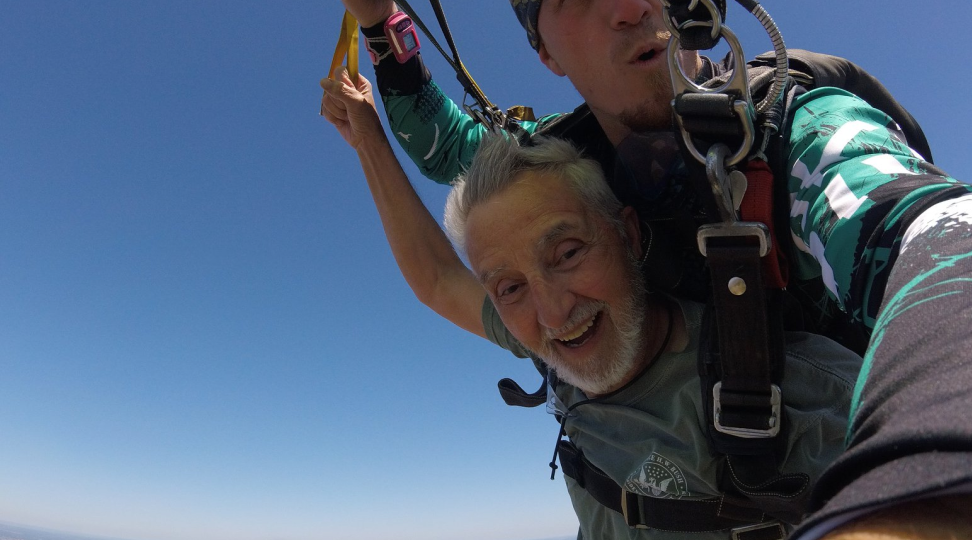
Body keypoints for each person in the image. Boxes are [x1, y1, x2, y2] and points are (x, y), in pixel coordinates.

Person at [326, 1, 972, 538]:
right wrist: (380, 23)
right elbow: (448, 151)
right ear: (545, 52)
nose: (630, 6)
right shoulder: (561, 174)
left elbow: (957, 241)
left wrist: (931, 491)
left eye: (569, 254)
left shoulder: (795, 134)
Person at [321, 67, 862, 538]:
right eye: (509, 287)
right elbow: (438, 280)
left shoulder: (807, 399)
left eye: (567, 253)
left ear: (628, 235)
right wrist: (367, 137)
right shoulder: (546, 339)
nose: (553, 313)